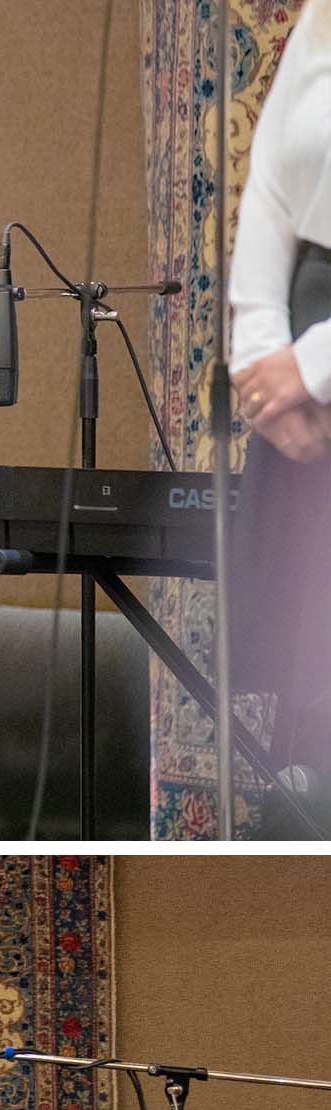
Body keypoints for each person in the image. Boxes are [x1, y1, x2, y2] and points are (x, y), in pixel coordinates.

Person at [227, 3, 331, 824]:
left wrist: (314, 366)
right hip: (299, 360)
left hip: (316, 362)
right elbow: (268, 185)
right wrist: (262, 353)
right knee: (309, 720)